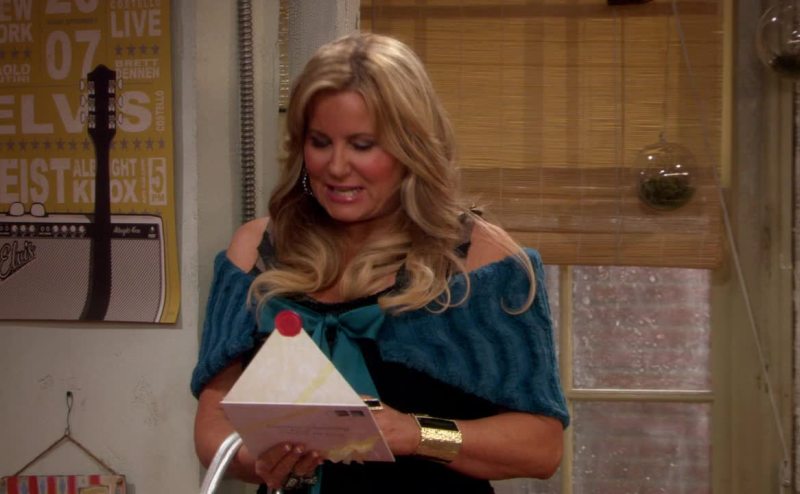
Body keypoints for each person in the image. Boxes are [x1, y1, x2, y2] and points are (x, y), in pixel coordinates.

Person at [191, 32, 569, 494]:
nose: (336, 166)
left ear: (411, 146)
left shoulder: (482, 260)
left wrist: (414, 433)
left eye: (363, 144)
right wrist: (263, 461)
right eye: (320, 142)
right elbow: (211, 427)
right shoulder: (254, 250)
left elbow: (541, 447)